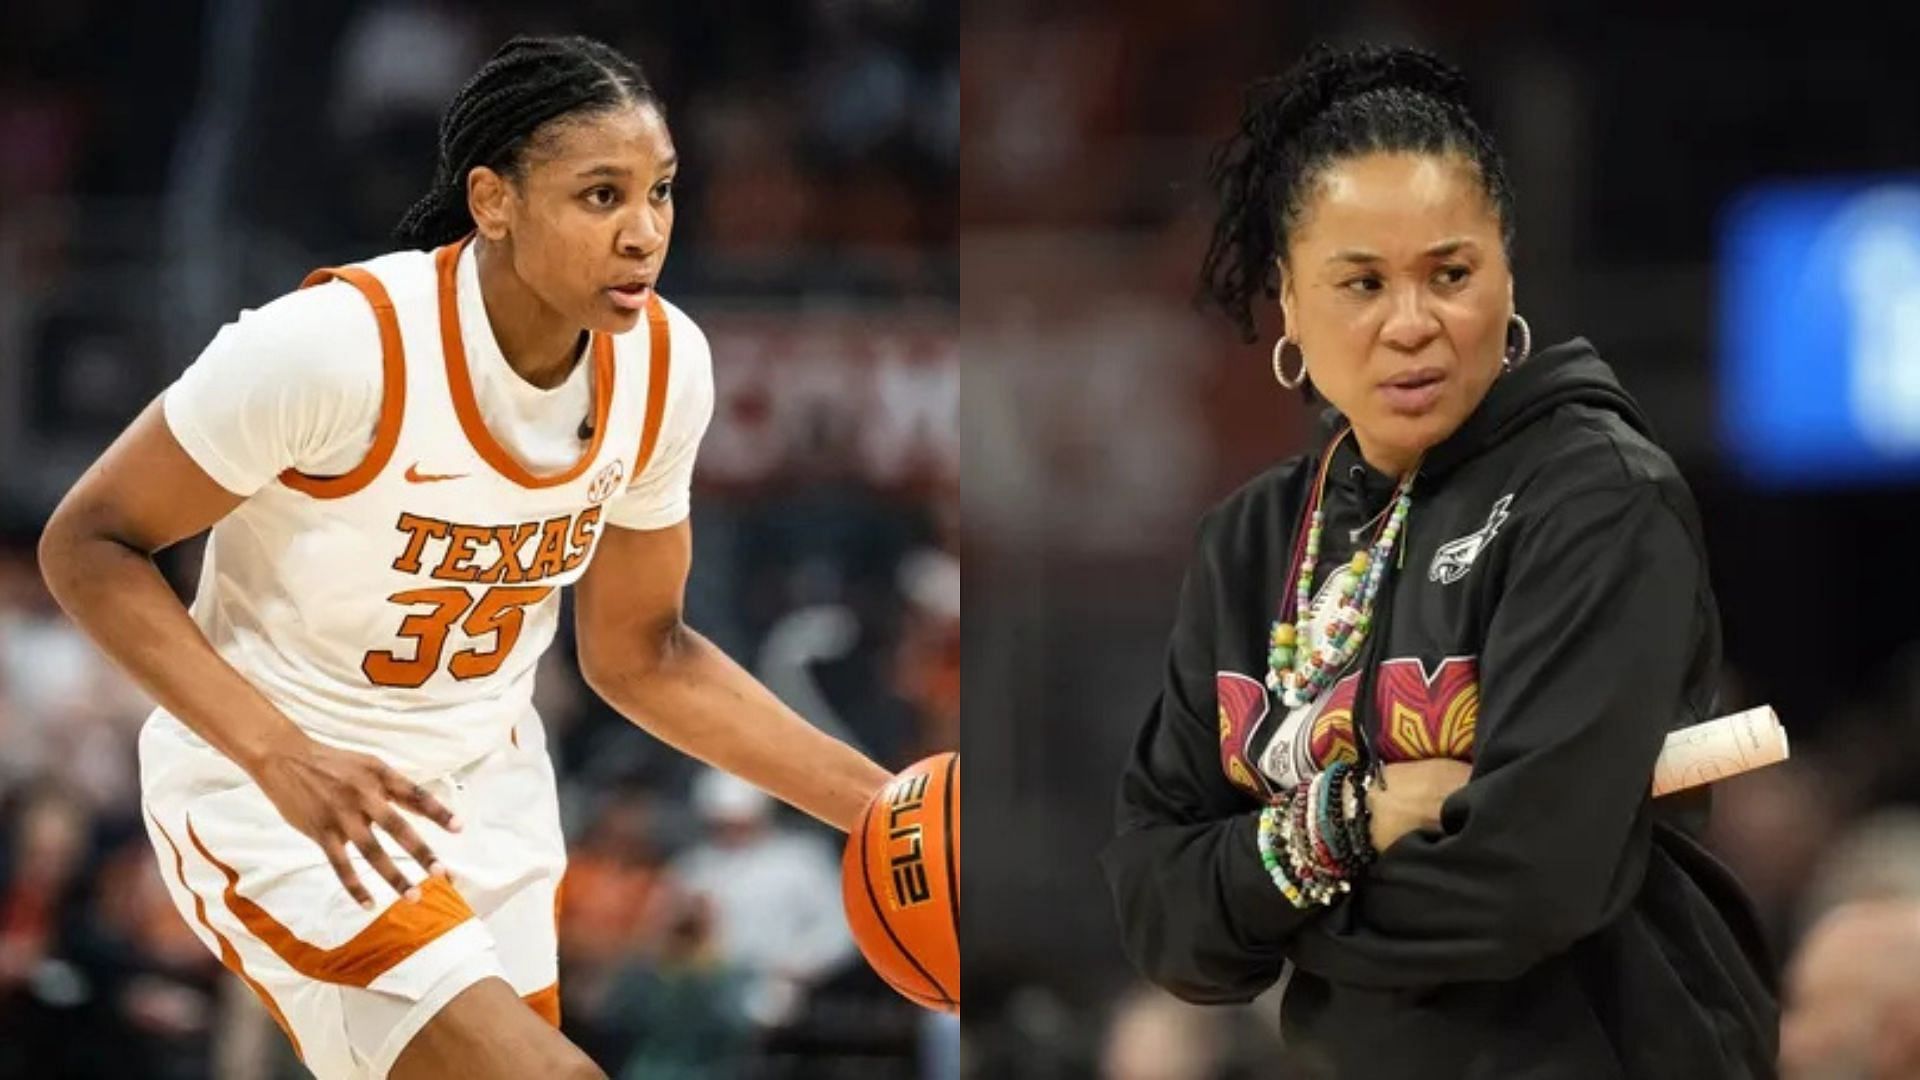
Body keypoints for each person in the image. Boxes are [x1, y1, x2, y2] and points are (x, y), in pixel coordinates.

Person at [36, 34, 892, 1080]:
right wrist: (274, 753)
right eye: (600, 196)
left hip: (486, 793)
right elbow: (89, 542)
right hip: (284, 794)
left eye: (660, 193)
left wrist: (882, 811)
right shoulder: (335, 349)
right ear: (493, 201)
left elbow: (642, 656)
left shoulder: (666, 367)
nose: (643, 234)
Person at [1098, 43, 1778, 1077]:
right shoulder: (1248, 543)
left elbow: (1526, 884)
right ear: (1289, 301)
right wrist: (1348, 820)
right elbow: (1158, 910)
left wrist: (1271, 912)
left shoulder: (1595, 496)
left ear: (1507, 271)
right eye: (1361, 282)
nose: (1412, 324)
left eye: (1450, 274)